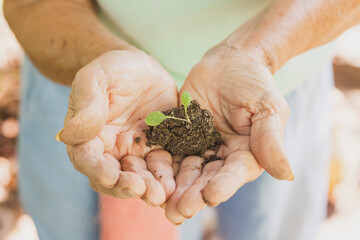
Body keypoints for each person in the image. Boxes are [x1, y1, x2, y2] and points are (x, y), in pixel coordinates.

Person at [4, 0, 360, 239]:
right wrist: (103, 52)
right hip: (93, 84)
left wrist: (258, 51)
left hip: (274, 79)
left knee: (271, 229)